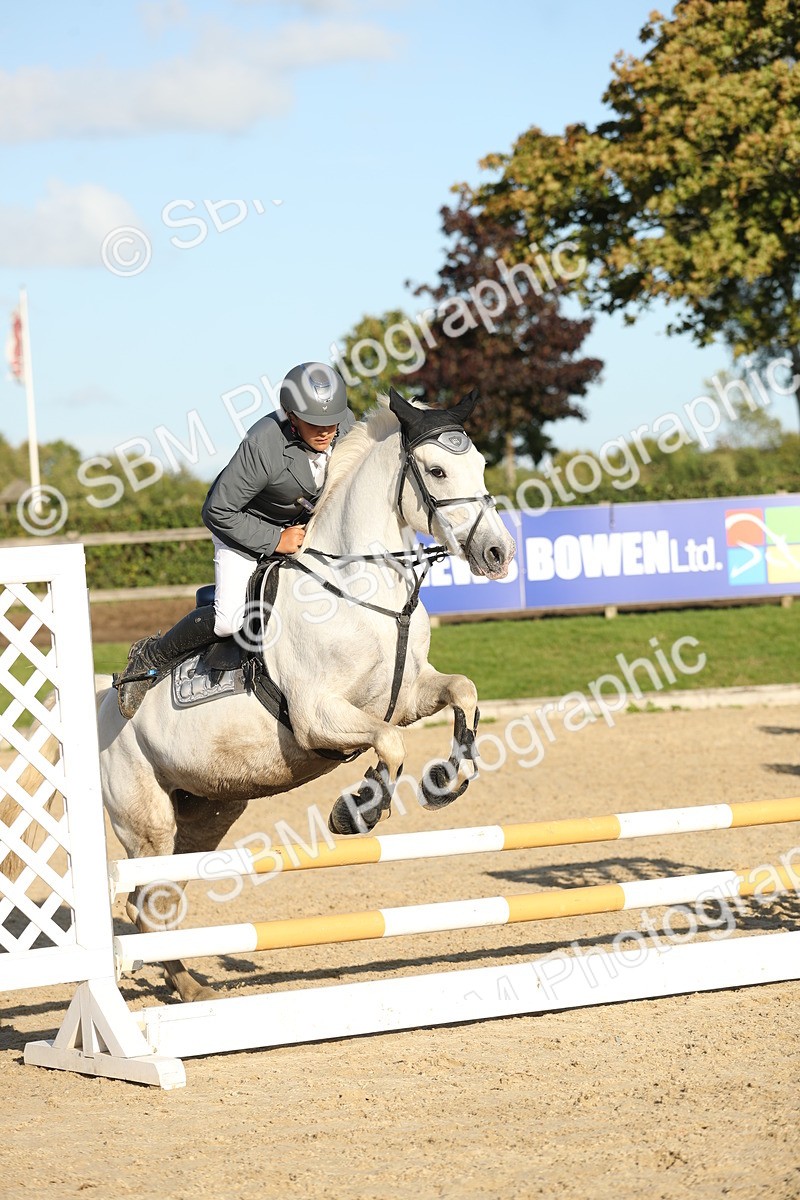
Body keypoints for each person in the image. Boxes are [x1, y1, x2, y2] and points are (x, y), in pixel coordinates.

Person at [115, 362, 355, 719]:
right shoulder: (264, 444)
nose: (326, 431)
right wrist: (275, 540)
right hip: (245, 526)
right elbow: (217, 511)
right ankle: (150, 658)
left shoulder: (345, 425)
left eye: (332, 421)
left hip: (303, 527)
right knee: (228, 620)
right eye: (314, 424)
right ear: (291, 416)